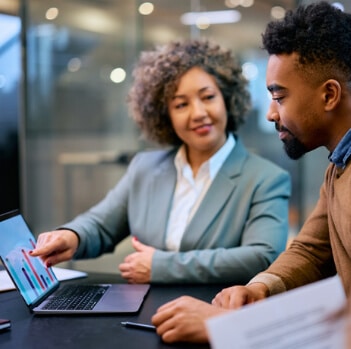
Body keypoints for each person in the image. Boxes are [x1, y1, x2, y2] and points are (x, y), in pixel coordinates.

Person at [151, 1, 351, 343]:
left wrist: (232, 328)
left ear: (329, 94)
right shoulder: (338, 167)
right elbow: (311, 251)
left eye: (280, 97)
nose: (272, 114)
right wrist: (260, 288)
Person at [30, 40, 290, 285]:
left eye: (208, 97)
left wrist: (163, 266)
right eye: (181, 105)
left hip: (212, 313)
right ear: (164, 115)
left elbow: (262, 257)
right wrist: (70, 237)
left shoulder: (266, 178)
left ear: (227, 100)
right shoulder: (145, 167)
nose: (198, 113)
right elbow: (101, 225)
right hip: (141, 312)